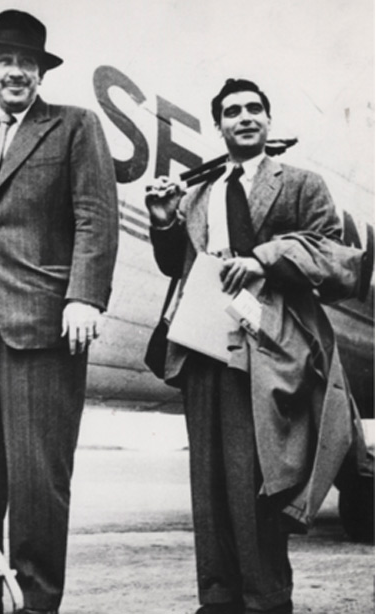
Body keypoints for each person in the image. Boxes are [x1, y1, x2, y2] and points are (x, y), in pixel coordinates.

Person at [145, 78, 367, 614]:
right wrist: (163, 223)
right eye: (233, 112)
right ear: (218, 125)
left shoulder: (301, 183)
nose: (245, 118)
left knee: (262, 483)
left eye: (254, 110)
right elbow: (179, 264)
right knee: (210, 483)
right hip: (203, 346)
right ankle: (217, 600)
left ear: (267, 121)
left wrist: (264, 256)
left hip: (270, 348)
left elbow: (335, 257)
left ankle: (266, 601)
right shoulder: (199, 193)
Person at [0, 9, 118, 614]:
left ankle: (36, 601)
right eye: (7, 61)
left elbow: (95, 216)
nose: (17, 73)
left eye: (28, 64)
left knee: (39, 476)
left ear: (40, 74)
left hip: (43, 321)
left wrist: (84, 294)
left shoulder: (75, 127)